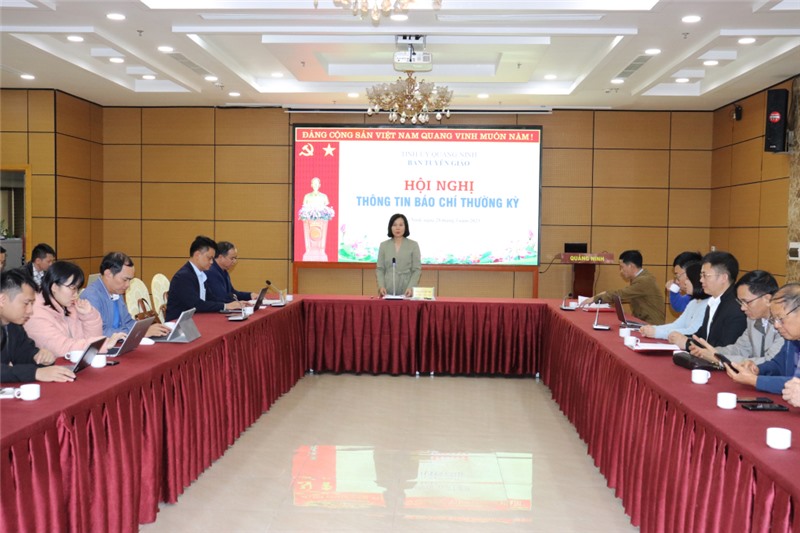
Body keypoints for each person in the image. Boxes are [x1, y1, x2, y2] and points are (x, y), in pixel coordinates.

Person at [24, 261, 122, 355]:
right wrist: (102, 344)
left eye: (77, 289)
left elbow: (91, 340)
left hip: (73, 362)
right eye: (72, 288)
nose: (76, 295)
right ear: (55, 287)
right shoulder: (35, 312)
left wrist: (89, 316)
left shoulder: (68, 306)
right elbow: (61, 348)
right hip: (51, 365)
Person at [689, 270, 783, 366]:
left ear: (767, 299)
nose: (742, 308)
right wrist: (709, 351)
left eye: (746, 302)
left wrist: (719, 359)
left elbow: (770, 363)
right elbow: (740, 349)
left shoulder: (784, 324)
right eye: (741, 302)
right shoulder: (752, 319)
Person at [1, 268, 75, 383]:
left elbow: (23, 352)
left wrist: (38, 356)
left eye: (32, 304)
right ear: (2, 300)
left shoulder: (14, 325)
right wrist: (35, 373)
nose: (30, 311)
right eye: (26, 303)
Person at [726, 283, 800, 394]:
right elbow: (778, 365)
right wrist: (757, 369)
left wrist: (755, 380)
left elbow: (796, 384)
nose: (776, 325)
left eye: (780, 319)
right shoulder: (791, 340)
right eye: (774, 319)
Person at [668, 251, 747, 352]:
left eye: (705, 275)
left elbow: (724, 349)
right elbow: (702, 336)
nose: (701, 280)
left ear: (723, 278)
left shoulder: (736, 308)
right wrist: (683, 338)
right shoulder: (713, 301)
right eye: (701, 275)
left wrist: (687, 343)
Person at [80, 252, 170, 338]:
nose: (128, 285)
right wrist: (140, 332)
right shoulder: (91, 296)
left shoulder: (116, 291)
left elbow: (128, 322)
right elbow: (100, 333)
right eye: (125, 280)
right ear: (108, 274)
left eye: (130, 280)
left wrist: (146, 328)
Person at [165, 235, 246, 321]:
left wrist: (233, 304)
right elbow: (196, 305)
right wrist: (225, 306)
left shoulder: (200, 274)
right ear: (197, 255)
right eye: (209, 258)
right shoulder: (183, 276)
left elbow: (211, 298)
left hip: (195, 320)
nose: (212, 262)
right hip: (178, 323)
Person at [582, 250, 665, 325]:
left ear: (631, 266)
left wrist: (595, 298)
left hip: (651, 325)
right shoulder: (640, 278)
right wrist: (604, 294)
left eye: (622, 267)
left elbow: (620, 295)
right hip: (642, 322)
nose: (621, 271)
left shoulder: (644, 281)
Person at [639, 261, 708, 340]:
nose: (685, 282)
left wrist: (657, 333)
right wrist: (654, 328)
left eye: (688, 279)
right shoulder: (693, 302)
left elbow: (692, 332)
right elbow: (677, 325)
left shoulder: (707, 305)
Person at [376, 213, 421, 298]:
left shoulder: (413, 245)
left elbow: (416, 270)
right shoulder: (384, 245)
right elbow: (380, 269)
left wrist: (411, 287)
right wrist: (381, 286)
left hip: (407, 290)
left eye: (401, 225)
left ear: (405, 227)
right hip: (387, 289)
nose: (397, 228)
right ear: (390, 227)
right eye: (394, 225)